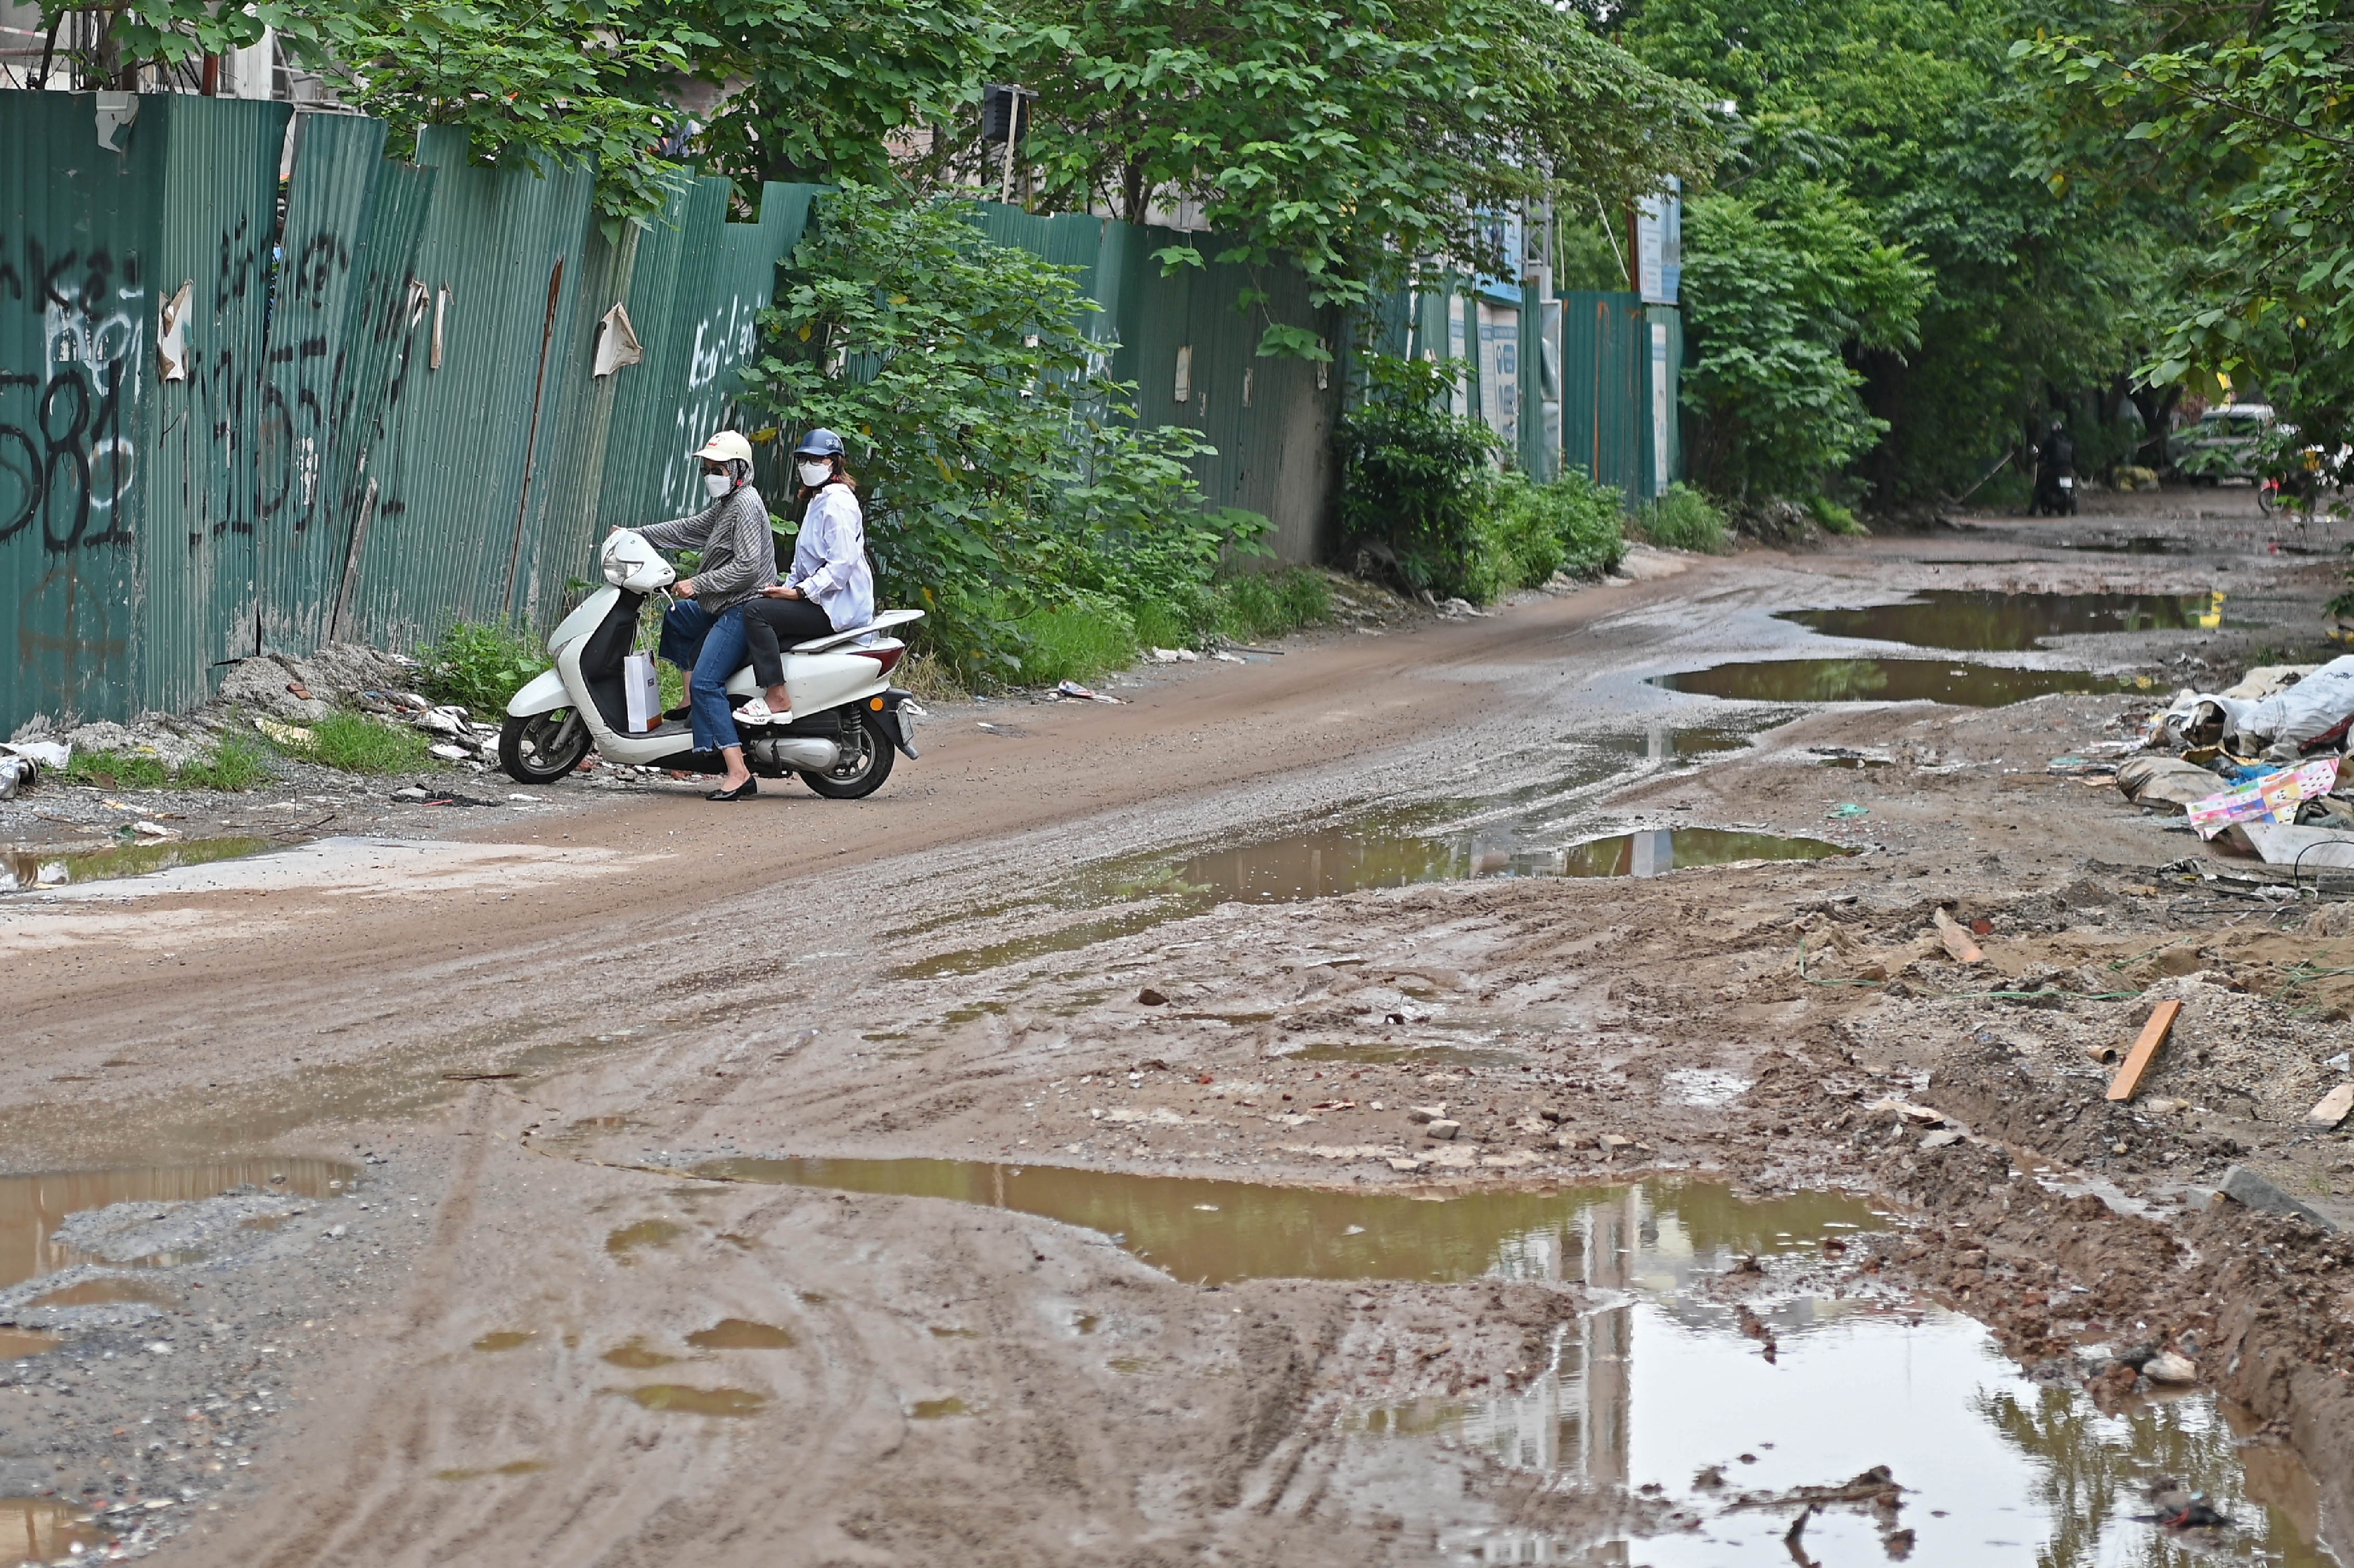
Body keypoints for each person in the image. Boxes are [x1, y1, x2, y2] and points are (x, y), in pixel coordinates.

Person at [632, 430, 777, 801]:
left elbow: (746, 568)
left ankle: (738, 771)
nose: (712, 475)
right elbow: (690, 529)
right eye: (707, 470)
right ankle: (689, 705)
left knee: (707, 683)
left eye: (718, 469)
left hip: (741, 608)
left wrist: (699, 584)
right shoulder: (729, 503)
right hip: (722, 603)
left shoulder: (744, 506)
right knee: (679, 619)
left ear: (739, 470)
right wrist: (638, 536)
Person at [736, 428, 875, 724]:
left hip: (837, 607)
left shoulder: (837, 503)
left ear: (834, 463)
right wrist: (783, 589)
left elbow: (841, 566)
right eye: (803, 460)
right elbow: (803, 567)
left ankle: (776, 698)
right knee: (760, 614)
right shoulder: (818, 501)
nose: (807, 466)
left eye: (816, 460)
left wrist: (799, 593)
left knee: (756, 613)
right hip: (820, 600)